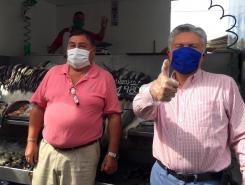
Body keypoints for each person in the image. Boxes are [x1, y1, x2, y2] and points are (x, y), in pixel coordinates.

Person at [133, 23, 245, 185]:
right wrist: (151, 93)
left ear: (203, 55)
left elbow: (242, 134)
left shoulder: (224, 85)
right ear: (170, 54)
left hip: (209, 181)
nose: (185, 50)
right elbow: (140, 112)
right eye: (179, 46)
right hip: (163, 178)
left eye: (192, 47)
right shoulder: (158, 86)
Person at [25, 29, 122, 185]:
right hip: (47, 151)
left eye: (82, 46)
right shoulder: (53, 73)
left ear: (93, 51)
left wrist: (112, 153)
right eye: (72, 45)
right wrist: (31, 141)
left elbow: (114, 117)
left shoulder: (104, 78)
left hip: (83, 156)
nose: (76, 49)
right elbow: (38, 108)